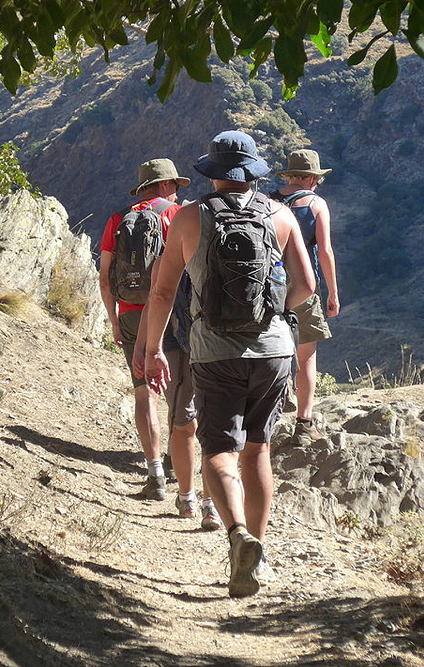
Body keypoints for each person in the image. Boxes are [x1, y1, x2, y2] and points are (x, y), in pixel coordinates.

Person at [143, 131, 315, 597]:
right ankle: (257, 550)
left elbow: (161, 293)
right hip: (275, 351)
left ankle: (236, 533)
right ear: (253, 171)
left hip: (213, 351)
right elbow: (306, 287)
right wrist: (274, 315)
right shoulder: (281, 216)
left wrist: (153, 349)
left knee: (217, 450)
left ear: (212, 173)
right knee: (257, 449)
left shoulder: (187, 217)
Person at [99, 158, 189, 501]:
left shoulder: (118, 218)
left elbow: (105, 278)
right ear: (166, 185)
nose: (178, 193)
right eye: (176, 187)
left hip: (131, 315)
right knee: (175, 393)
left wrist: (113, 319)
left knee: (143, 393)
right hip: (171, 316)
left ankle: (154, 474)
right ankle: (174, 462)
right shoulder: (176, 216)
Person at [133, 270, 223, 529]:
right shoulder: (226, 239)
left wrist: (145, 347)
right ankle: (208, 503)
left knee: (184, 423)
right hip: (216, 344)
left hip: (175, 344)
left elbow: (156, 297)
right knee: (208, 426)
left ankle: (189, 499)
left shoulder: (175, 244)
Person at [270, 149, 340, 445]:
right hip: (303, 287)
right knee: (306, 356)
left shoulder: (269, 201)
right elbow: (324, 250)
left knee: (273, 351)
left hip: (269, 286)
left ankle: (269, 415)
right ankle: (304, 422)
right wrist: (333, 293)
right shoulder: (315, 204)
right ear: (312, 177)